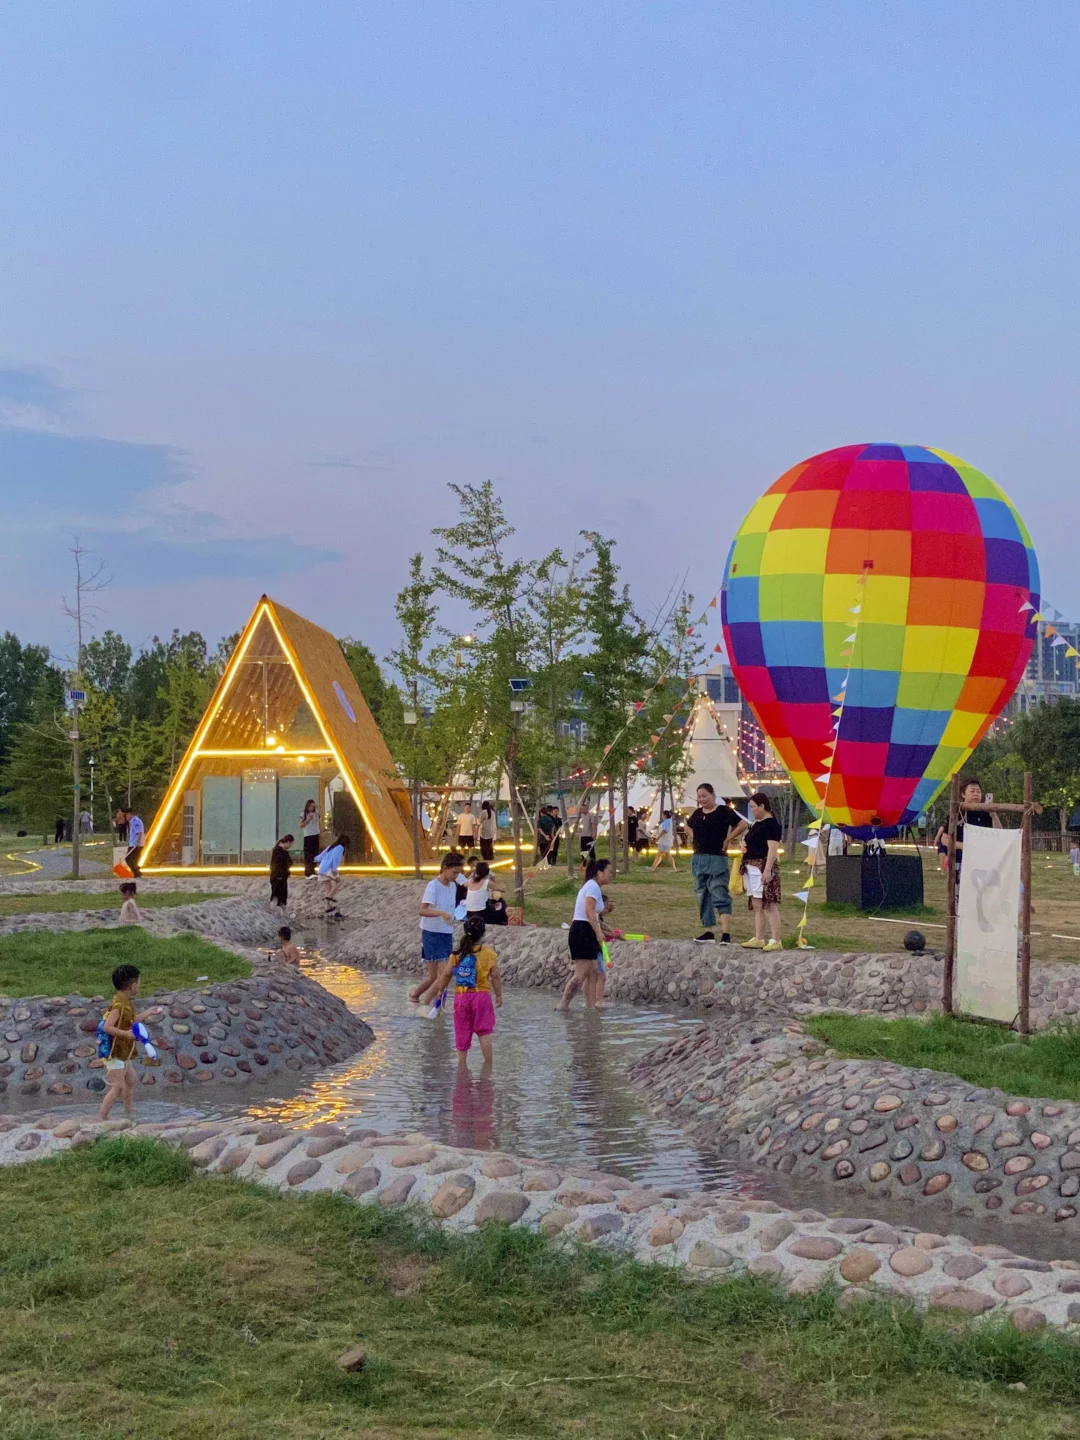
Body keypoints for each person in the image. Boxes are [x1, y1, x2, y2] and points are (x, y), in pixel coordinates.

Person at [428, 914, 503, 1069]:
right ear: (483, 933)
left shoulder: (457, 955)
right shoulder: (489, 954)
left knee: (462, 1033)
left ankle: (462, 1070)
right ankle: (488, 1069)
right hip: (481, 997)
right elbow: (495, 975)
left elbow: (446, 974)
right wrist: (498, 995)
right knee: (484, 1032)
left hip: (461, 997)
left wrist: (440, 990)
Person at [97, 964, 163, 1121]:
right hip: (114, 1052)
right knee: (118, 1087)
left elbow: (131, 1020)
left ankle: (128, 1112)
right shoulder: (118, 1006)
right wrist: (126, 1034)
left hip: (124, 1052)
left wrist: (148, 1013)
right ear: (133, 985)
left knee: (130, 1080)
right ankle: (102, 1119)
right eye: (139, 982)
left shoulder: (126, 1003)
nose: (140, 985)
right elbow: (107, 1027)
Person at [687, 783, 748, 943]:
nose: (702, 799)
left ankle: (726, 933)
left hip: (717, 857)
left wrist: (728, 838)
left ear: (713, 795)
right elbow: (687, 826)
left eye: (704, 796)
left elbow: (742, 824)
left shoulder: (723, 811)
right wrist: (695, 836)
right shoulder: (697, 813)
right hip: (699, 858)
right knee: (701, 894)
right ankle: (708, 931)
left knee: (719, 892)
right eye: (699, 797)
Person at [557, 857, 612, 1011]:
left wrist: (606, 931)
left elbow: (594, 915)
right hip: (582, 930)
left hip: (587, 929)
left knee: (593, 971)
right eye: (609, 872)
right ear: (599, 873)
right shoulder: (593, 886)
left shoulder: (594, 887)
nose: (611, 875)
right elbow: (589, 911)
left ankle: (590, 1007)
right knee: (580, 974)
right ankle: (563, 1005)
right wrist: (598, 933)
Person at [409, 852, 461, 1003]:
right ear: (445, 868)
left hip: (446, 932)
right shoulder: (433, 886)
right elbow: (422, 910)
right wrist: (441, 913)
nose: (456, 876)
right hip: (432, 934)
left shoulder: (453, 886)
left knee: (434, 977)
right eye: (454, 872)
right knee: (444, 974)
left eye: (458, 873)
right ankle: (430, 1005)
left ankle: (415, 995)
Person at [741, 792, 783, 951]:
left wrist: (767, 870)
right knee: (757, 904)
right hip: (750, 866)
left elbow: (772, 849)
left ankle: (776, 939)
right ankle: (759, 938)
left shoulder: (771, 824)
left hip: (762, 866)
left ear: (762, 806)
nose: (751, 810)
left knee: (769, 904)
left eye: (753, 807)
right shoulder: (756, 824)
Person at [952, 778, 1001, 878]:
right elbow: (945, 839)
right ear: (963, 794)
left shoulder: (985, 813)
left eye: (978, 792)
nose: (976, 794)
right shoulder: (957, 813)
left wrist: (993, 814)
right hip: (961, 861)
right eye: (972, 791)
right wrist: (965, 846)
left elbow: (999, 833)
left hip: (983, 862)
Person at [315, 834, 349, 916]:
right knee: (339, 882)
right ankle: (330, 896)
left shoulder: (331, 846)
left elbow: (321, 855)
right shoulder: (340, 847)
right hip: (329, 868)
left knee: (329, 888)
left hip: (322, 868)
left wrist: (316, 859)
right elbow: (336, 859)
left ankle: (328, 907)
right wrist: (334, 869)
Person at [270, 834, 294, 909]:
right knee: (276, 895)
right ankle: (274, 910)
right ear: (288, 842)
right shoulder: (278, 851)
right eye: (291, 844)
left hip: (281, 876)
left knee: (281, 896)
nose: (291, 846)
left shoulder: (283, 851)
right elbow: (277, 865)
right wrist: (279, 875)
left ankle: (280, 911)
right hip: (278, 877)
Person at [299, 798, 321, 877]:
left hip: (316, 835)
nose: (311, 808)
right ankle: (308, 872)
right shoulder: (303, 814)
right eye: (310, 806)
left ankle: (313, 870)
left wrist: (317, 806)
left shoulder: (316, 813)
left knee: (315, 853)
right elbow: (300, 825)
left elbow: (321, 810)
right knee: (308, 854)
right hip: (308, 836)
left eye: (312, 806)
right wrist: (307, 820)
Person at [124, 810, 145, 877]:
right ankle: (137, 872)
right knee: (134, 859)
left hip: (135, 844)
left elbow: (139, 833)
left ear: (130, 814)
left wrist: (137, 842)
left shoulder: (136, 821)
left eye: (126, 815)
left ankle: (137, 872)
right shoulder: (132, 821)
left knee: (128, 858)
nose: (125, 817)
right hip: (133, 843)